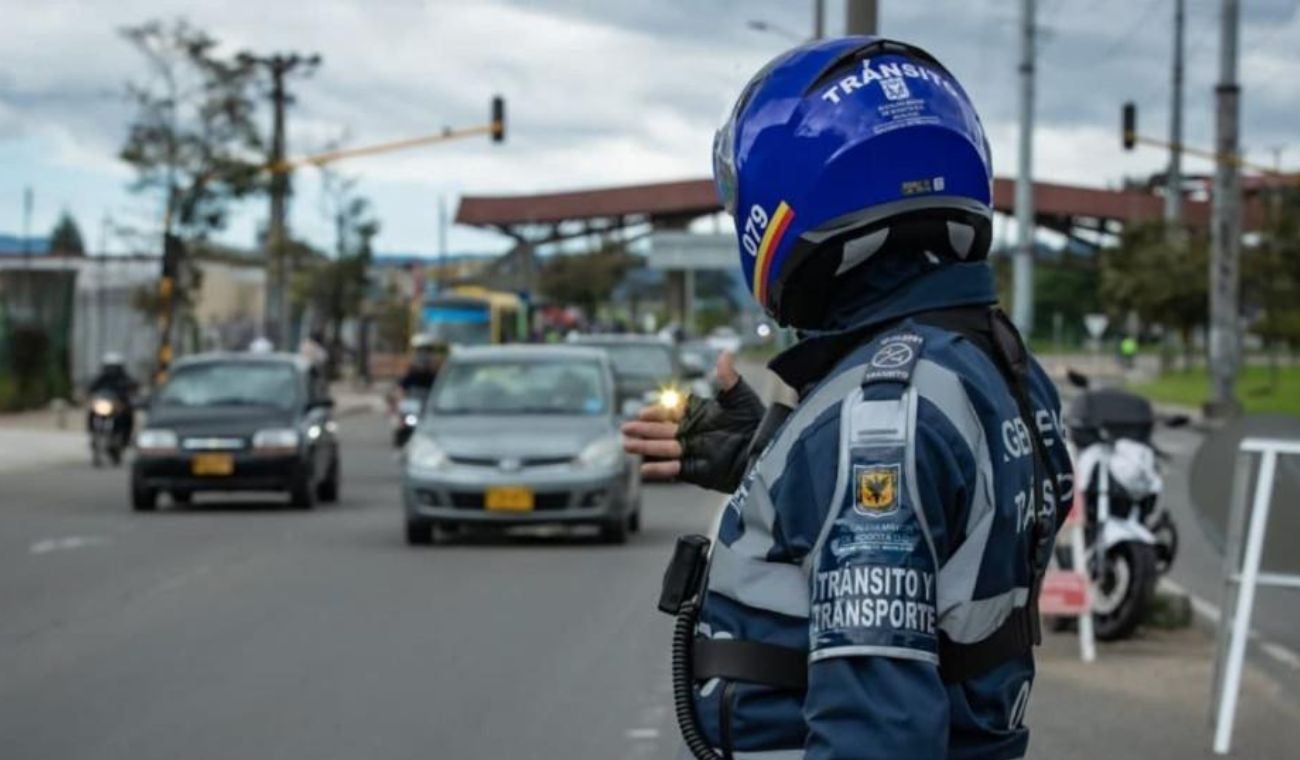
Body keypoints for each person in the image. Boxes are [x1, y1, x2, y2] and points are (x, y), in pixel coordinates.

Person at [622, 36, 1074, 759]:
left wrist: (843, 450)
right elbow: (949, 544)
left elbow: (876, 730)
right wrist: (777, 463)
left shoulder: (882, 414)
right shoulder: (993, 361)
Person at [87, 352, 139, 441]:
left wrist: (130, 390)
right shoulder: (102, 378)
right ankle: (92, 431)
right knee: (92, 411)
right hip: (106, 402)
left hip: (118, 404)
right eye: (109, 367)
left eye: (114, 367)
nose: (111, 370)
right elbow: (92, 386)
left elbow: (132, 385)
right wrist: (89, 391)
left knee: (127, 413)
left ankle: (126, 436)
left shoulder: (124, 378)